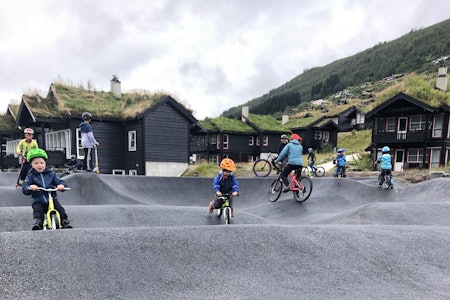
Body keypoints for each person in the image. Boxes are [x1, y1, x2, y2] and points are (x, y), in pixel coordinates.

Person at [22, 148, 72, 230]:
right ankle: (38, 224)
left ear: (45, 163)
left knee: (60, 209)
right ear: (31, 164)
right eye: (36, 163)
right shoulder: (31, 175)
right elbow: (25, 187)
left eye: (42, 163)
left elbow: (60, 182)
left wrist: (61, 186)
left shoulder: (51, 174)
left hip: (52, 199)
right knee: (38, 211)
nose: (39, 165)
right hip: (38, 200)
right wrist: (30, 187)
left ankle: (64, 222)